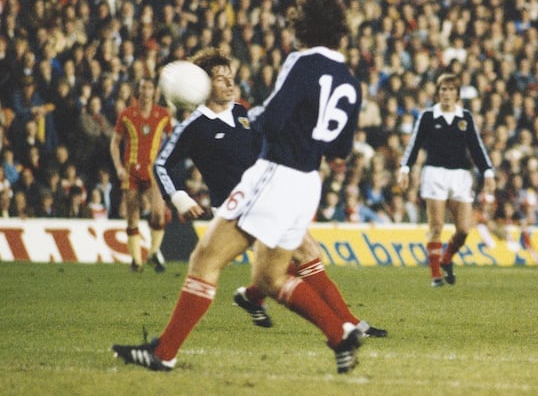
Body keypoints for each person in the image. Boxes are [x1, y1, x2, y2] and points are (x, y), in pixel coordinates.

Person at [113, 0, 366, 374]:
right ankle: (340, 333)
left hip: (275, 173)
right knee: (269, 277)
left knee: (204, 258)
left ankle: (163, 353)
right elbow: (341, 148)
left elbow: (275, 118)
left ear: (304, 25)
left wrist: (258, 120)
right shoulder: (350, 79)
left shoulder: (301, 63)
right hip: (306, 182)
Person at [153, 46, 386, 336]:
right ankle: (348, 326)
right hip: (237, 205)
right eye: (219, 78)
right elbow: (160, 164)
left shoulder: (242, 112)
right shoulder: (193, 126)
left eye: (230, 76)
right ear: (201, 85)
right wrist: (179, 198)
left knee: (286, 262)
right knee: (304, 254)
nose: (229, 83)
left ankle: (253, 297)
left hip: (267, 194)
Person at [397, 73, 496, 287]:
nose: (447, 93)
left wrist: (488, 172)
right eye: (443, 89)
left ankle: (447, 258)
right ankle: (435, 275)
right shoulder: (427, 116)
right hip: (434, 174)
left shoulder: (465, 117)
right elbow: (414, 145)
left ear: (457, 94)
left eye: (451, 90)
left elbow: (476, 147)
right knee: (437, 225)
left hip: (461, 176)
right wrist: (404, 169)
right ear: (438, 92)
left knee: (463, 229)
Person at [109, 77, 172, 273]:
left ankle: (153, 252)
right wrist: (118, 166)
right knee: (132, 217)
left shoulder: (163, 115)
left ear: (154, 91)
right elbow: (114, 143)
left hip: (153, 172)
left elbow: (172, 140)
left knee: (158, 213)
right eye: (143, 87)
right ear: (138, 91)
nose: (146, 91)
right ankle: (136, 262)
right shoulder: (127, 115)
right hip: (131, 172)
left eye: (149, 87)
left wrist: (166, 165)